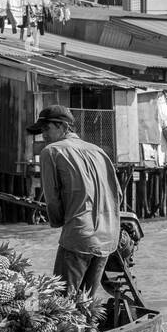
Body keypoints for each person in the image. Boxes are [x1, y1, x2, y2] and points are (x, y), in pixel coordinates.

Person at [27, 105, 123, 299]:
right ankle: (87, 329)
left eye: (46, 129)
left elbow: (52, 198)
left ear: (63, 126)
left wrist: (58, 221)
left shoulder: (51, 152)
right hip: (108, 237)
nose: (43, 135)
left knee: (61, 303)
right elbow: (118, 195)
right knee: (85, 302)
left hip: (79, 236)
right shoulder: (99, 151)